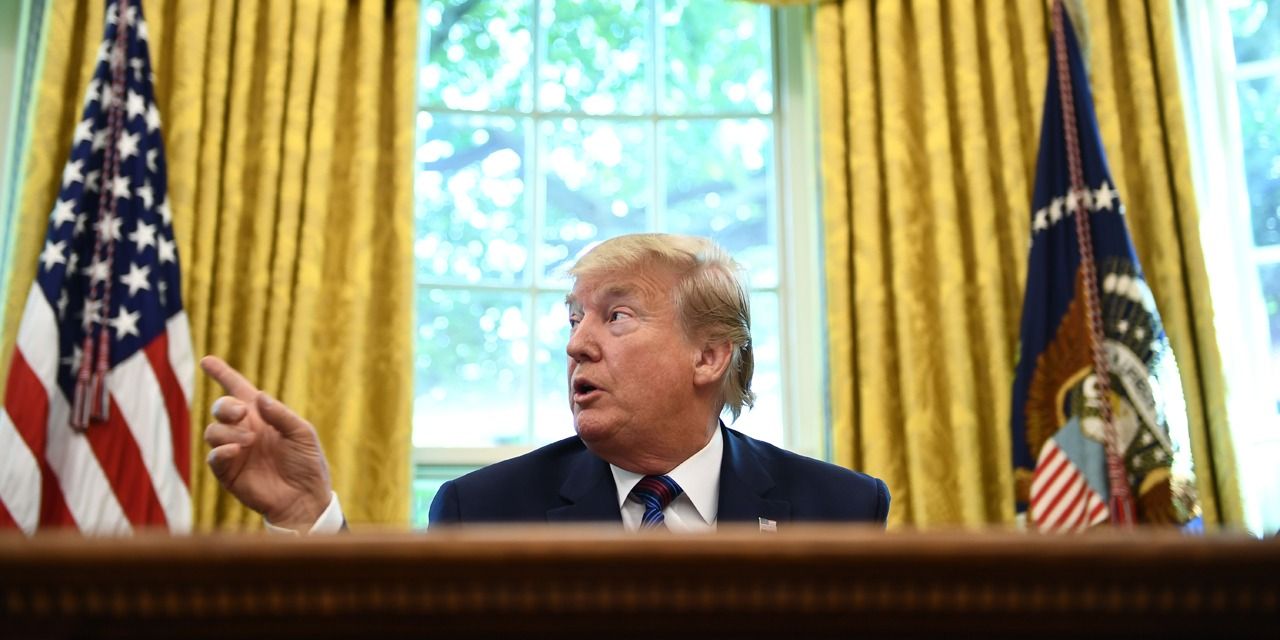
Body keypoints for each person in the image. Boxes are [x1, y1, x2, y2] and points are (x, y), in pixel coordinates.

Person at [203, 234, 889, 533]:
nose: (576, 344)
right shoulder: (484, 510)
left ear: (709, 356)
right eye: (573, 318)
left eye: (616, 316)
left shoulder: (840, 508)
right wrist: (309, 518)